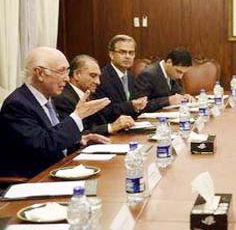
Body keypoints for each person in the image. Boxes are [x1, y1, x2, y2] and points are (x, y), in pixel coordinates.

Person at [0, 47, 110, 178]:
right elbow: (42, 146)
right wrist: (77, 116)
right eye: (61, 71)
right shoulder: (17, 104)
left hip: (57, 170)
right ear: (40, 73)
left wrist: (79, 140)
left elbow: (52, 138)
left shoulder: (48, 99)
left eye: (67, 71)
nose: (67, 79)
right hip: (34, 180)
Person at [54, 55, 135, 135]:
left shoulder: (91, 95)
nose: (98, 82)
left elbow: (99, 123)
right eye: (93, 76)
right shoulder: (63, 99)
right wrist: (110, 127)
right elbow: (76, 133)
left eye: (99, 77)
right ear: (76, 75)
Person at [93, 34, 148, 122]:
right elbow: (103, 111)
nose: (127, 56)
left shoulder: (131, 76)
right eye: (122, 52)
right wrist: (131, 105)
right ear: (111, 54)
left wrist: (140, 105)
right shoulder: (102, 77)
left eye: (131, 53)